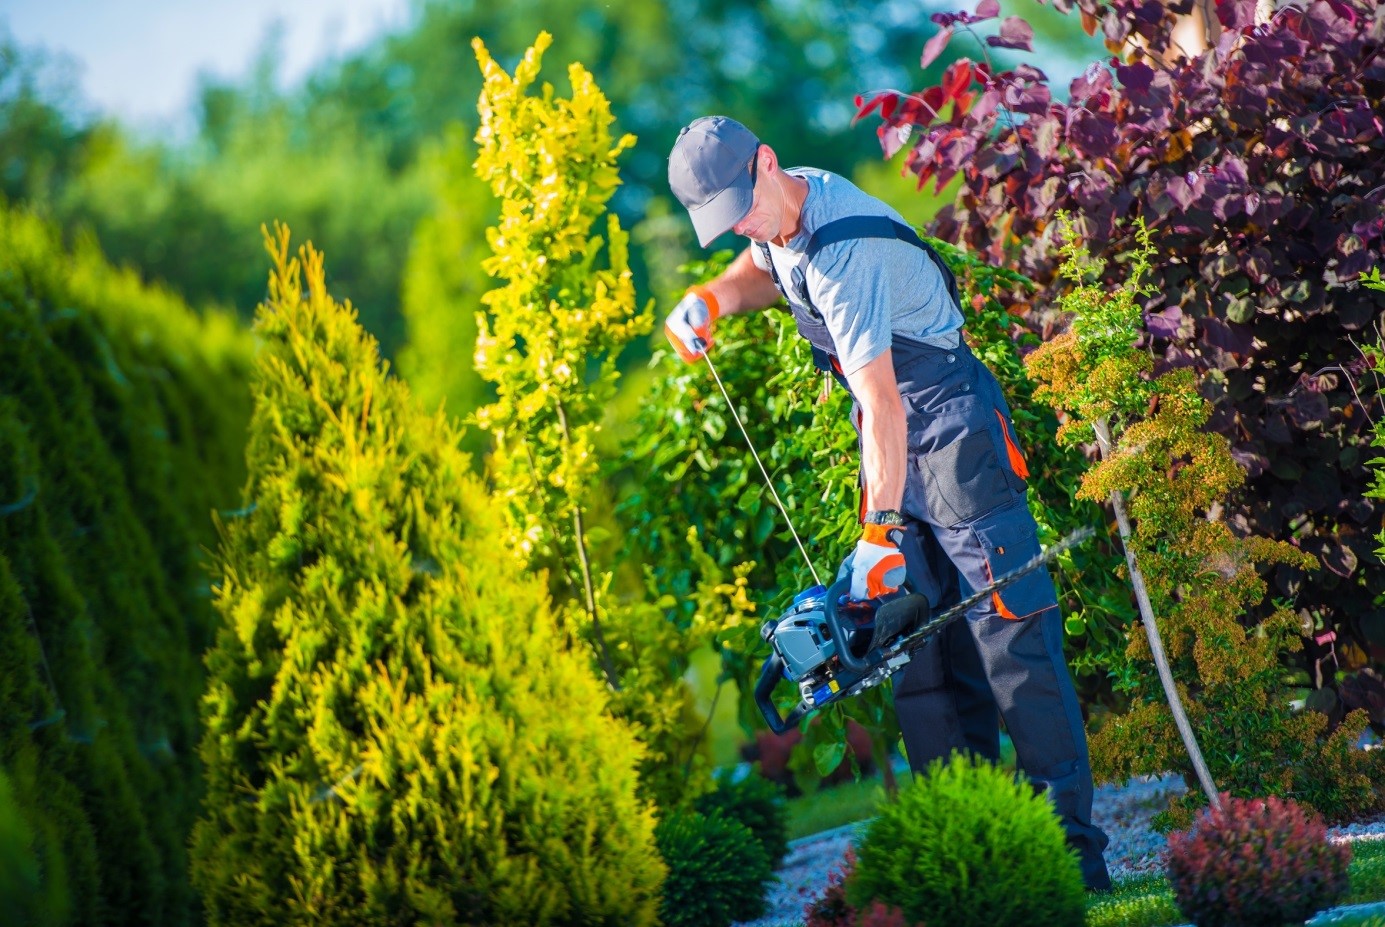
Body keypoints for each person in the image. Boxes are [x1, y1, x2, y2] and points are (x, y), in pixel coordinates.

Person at [663, 115, 1112, 891]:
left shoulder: (845, 255)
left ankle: (1071, 863)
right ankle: (971, 857)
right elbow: (760, 268)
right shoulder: (777, 218)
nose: (743, 223)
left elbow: (880, 403)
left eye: (744, 204)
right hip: (901, 447)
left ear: (767, 162)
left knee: (1013, 650)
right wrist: (709, 298)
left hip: (952, 432)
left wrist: (878, 532)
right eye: (727, 218)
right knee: (920, 660)